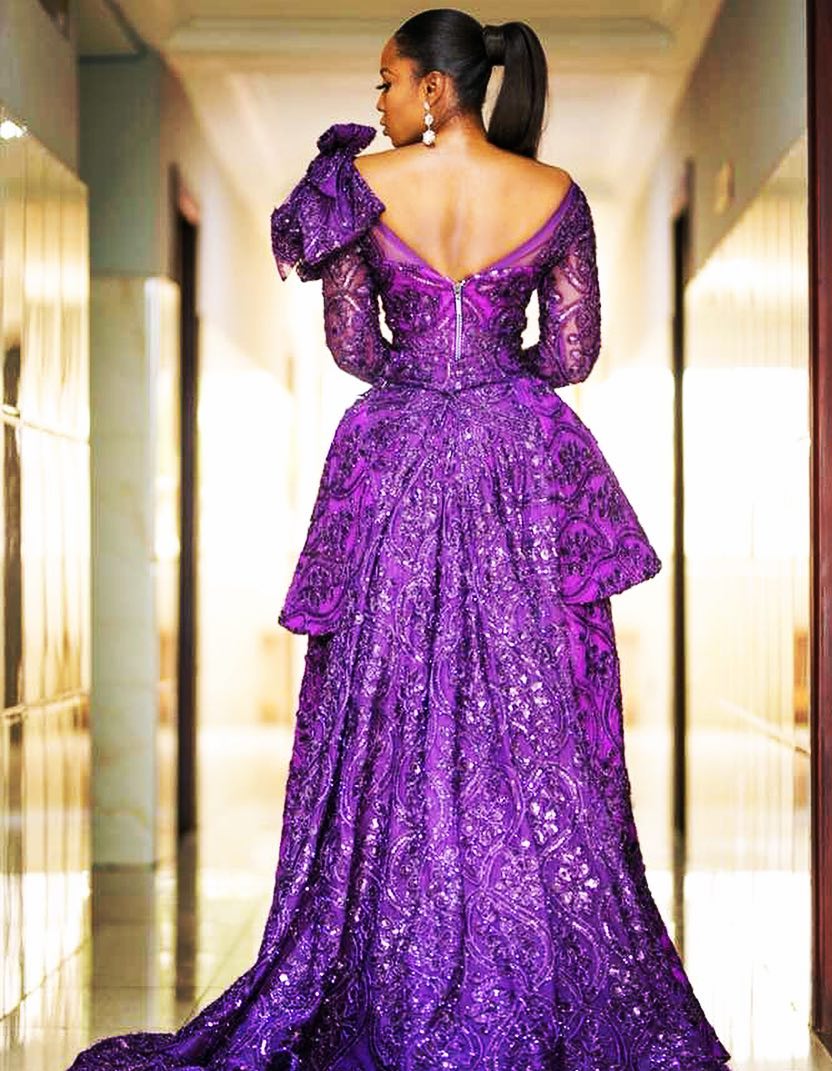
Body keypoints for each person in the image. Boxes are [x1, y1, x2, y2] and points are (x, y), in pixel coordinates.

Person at [67, 8, 732, 1070]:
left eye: (385, 80)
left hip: (396, 463)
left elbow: (349, 344)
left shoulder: (358, 188)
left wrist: (420, 380)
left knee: (384, 716)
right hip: (521, 463)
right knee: (536, 730)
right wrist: (494, 384)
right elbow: (571, 354)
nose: (375, 101)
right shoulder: (555, 194)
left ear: (432, 87)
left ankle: (388, 964)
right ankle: (535, 973)